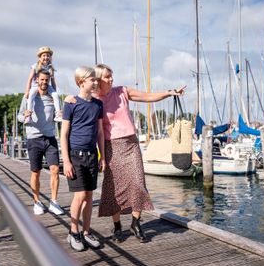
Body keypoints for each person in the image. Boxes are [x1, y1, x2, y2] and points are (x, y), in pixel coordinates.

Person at [93, 63, 185, 243]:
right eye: (107, 77)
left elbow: (147, 96)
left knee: (138, 183)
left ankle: (135, 222)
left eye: (112, 75)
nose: (111, 79)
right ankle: (117, 225)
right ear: (98, 80)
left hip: (131, 144)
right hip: (111, 146)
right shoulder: (94, 100)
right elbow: (97, 130)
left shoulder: (122, 91)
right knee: (114, 188)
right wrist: (68, 100)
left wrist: (169, 92)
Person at [61, 66, 106, 252]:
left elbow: (100, 133)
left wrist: (102, 156)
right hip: (75, 156)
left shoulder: (98, 105)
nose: (96, 82)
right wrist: (66, 161)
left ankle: (86, 232)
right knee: (79, 195)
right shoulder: (71, 104)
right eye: (92, 80)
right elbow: (63, 134)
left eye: (96, 79)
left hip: (91, 156)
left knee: (89, 195)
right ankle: (73, 232)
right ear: (81, 82)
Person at [18, 70, 65, 216]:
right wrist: (24, 115)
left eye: (47, 80)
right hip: (34, 138)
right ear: (37, 80)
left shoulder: (53, 96)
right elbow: (19, 116)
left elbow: (61, 113)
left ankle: (54, 202)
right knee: (35, 172)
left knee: (55, 170)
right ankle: (37, 202)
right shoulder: (28, 97)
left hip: (50, 138)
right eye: (42, 80)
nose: (44, 82)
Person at [24, 46, 62, 123]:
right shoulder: (35, 66)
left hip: (47, 86)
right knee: (31, 96)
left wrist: (54, 91)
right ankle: (29, 115)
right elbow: (30, 79)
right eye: (44, 55)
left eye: (48, 55)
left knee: (55, 95)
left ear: (50, 57)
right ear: (39, 57)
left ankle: (58, 114)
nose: (46, 57)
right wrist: (27, 90)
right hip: (36, 85)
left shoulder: (50, 67)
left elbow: (53, 80)